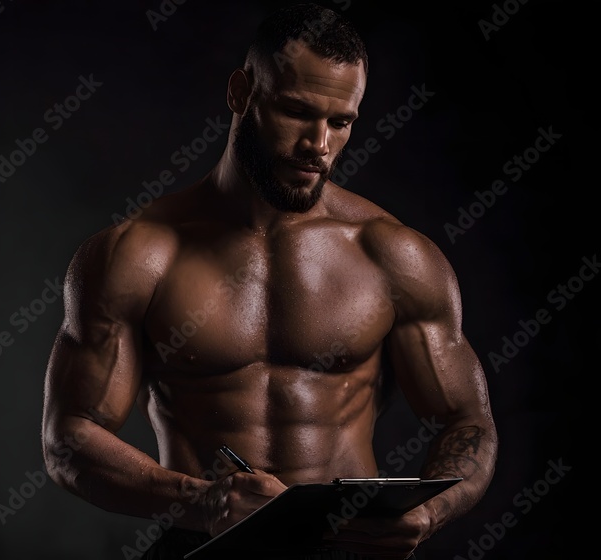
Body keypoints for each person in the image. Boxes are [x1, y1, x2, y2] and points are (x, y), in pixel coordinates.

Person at [40, 3, 497, 559]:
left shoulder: (393, 255)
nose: (318, 145)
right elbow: (69, 437)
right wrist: (203, 502)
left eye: (341, 122)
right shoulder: (138, 255)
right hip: (206, 543)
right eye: (296, 111)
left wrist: (429, 512)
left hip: (347, 550)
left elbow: (467, 421)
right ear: (241, 92)